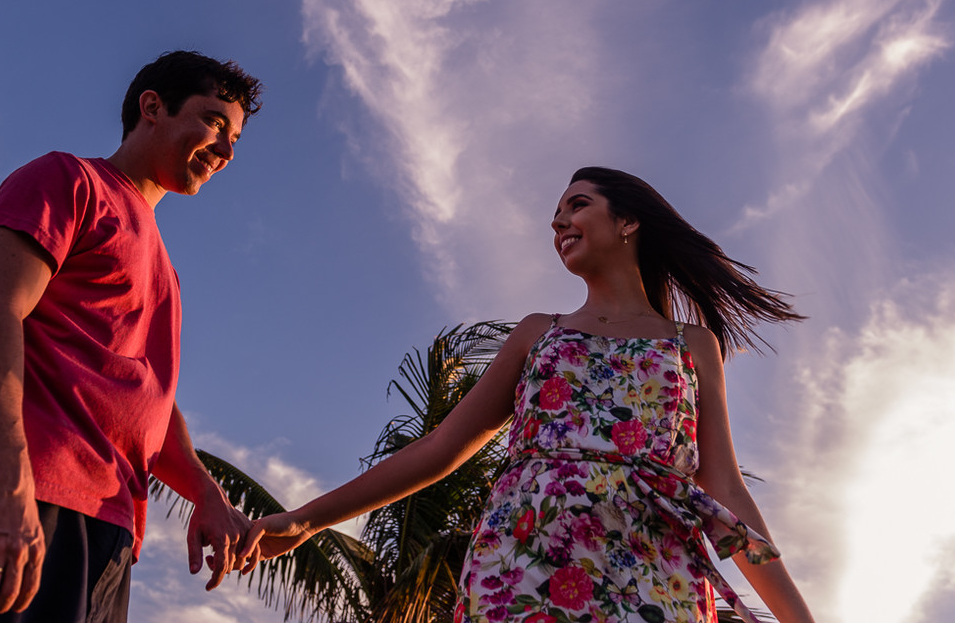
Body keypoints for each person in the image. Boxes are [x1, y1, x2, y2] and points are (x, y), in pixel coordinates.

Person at [239, 167, 816, 622]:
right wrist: (307, 521)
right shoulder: (540, 331)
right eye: (555, 213)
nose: (557, 221)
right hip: (525, 561)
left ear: (628, 222)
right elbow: (439, 449)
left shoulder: (693, 344)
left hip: (655, 566)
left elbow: (725, 489)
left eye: (577, 205)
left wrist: (800, 620)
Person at [0, 50, 264, 623]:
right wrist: (6, 492)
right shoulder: (68, 180)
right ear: (152, 107)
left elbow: (148, 399)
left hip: (105, 545)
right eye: (213, 122)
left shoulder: (165, 269)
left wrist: (206, 490)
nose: (227, 150)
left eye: (234, 137)